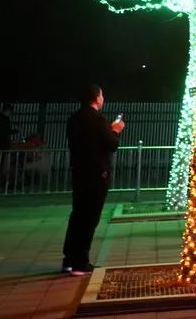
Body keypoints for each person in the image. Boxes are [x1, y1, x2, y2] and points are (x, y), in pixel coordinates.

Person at [61, 85, 124, 276]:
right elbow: (111, 145)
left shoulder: (74, 119)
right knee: (89, 218)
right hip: (96, 175)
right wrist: (115, 130)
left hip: (79, 172)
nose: (103, 98)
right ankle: (81, 262)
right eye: (102, 95)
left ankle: (69, 259)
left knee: (77, 215)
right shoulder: (97, 120)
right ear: (97, 98)